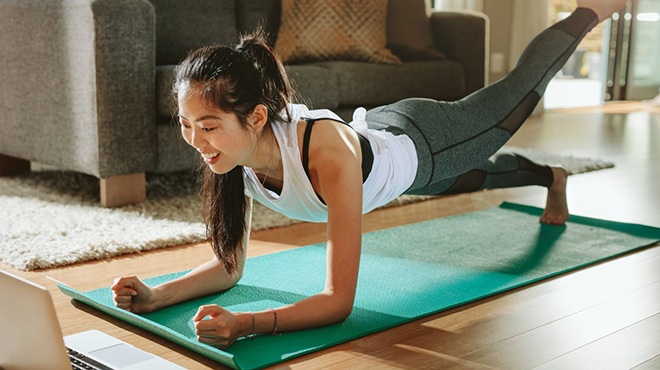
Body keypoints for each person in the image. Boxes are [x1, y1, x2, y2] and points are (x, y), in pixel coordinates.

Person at [112, 0, 628, 349]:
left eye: (207, 126)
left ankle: (592, 10)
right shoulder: (232, 155)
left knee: (513, 98)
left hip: (423, 140)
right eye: (185, 126)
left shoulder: (324, 154)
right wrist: (157, 296)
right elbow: (229, 269)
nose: (196, 142)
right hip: (384, 142)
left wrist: (247, 325)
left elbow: (338, 302)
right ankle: (550, 177)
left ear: (256, 118)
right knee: (477, 179)